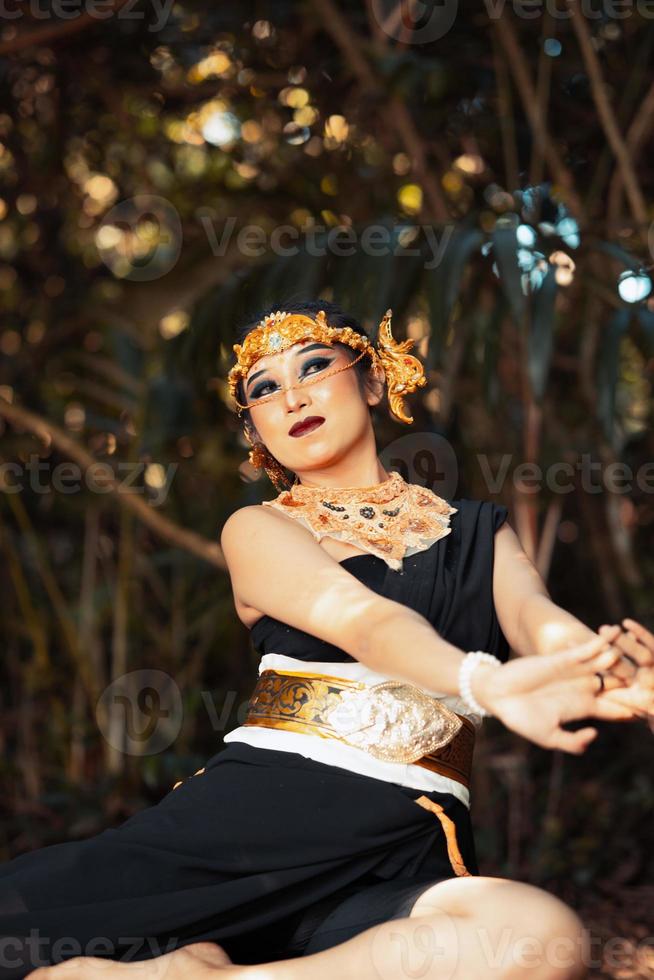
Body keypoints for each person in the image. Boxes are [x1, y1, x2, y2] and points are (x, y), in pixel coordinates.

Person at [5, 300, 653, 980]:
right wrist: (482, 682)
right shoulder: (259, 529)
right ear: (255, 427)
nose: (293, 396)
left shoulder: (478, 530)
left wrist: (610, 673)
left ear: (374, 382)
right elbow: (364, 620)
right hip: (253, 822)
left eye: (314, 367)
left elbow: (539, 623)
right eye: (264, 388)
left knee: (539, 937)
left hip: (401, 842)